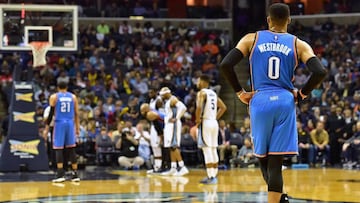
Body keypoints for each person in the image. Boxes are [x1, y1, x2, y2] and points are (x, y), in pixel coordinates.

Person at [219, 3, 327, 203]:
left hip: (260, 100)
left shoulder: (251, 38)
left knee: (263, 157)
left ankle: (277, 199)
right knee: (276, 162)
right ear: (289, 20)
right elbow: (320, 72)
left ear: (268, 20)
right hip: (285, 100)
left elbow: (225, 64)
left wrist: (240, 92)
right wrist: (301, 94)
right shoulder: (298, 44)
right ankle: (279, 199)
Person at [43, 81, 80, 183]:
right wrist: (77, 127)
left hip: (59, 123)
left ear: (57, 87)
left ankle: (60, 173)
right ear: (67, 87)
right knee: (71, 148)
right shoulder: (73, 97)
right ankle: (75, 173)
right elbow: (77, 113)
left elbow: (51, 114)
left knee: (58, 148)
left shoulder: (54, 97)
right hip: (70, 123)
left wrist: (46, 128)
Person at [195, 74, 227, 184]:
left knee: (207, 149)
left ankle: (210, 176)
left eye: (198, 81)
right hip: (214, 122)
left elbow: (199, 107)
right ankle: (214, 175)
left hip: (206, 122)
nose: (197, 83)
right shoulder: (213, 93)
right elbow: (223, 107)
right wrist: (215, 117)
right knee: (213, 149)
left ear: (204, 82)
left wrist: (197, 120)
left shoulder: (201, 93)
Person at [159, 87, 189, 176]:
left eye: (163, 95)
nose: (162, 97)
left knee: (174, 146)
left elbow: (183, 107)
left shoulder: (173, 99)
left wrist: (177, 118)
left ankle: (182, 167)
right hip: (169, 125)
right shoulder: (168, 101)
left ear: (167, 93)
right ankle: (173, 168)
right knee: (170, 147)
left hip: (173, 125)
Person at [140, 102, 166, 173]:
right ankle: (157, 167)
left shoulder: (150, 114)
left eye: (142, 110)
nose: (141, 112)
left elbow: (158, 126)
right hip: (159, 130)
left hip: (160, 132)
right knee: (156, 149)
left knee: (157, 149)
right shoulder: (153, 112)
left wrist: (161, 137)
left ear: (146, 109)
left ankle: (158, 167)